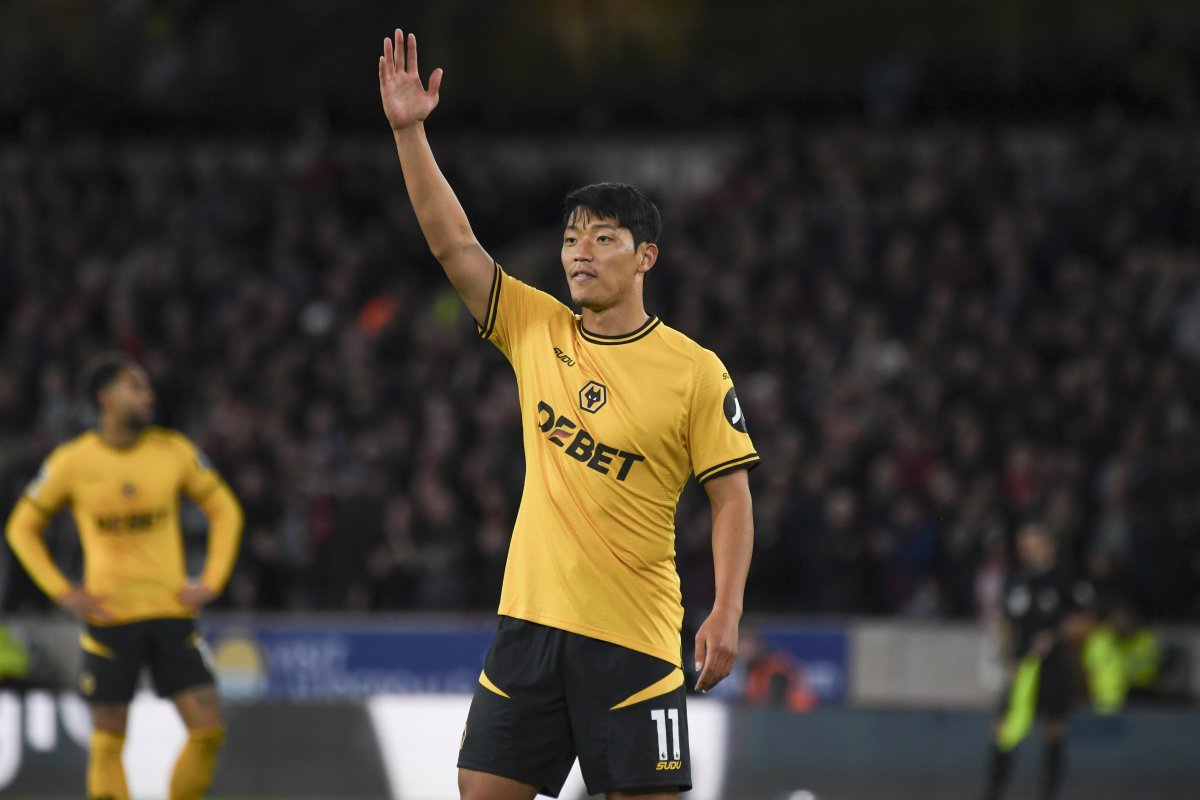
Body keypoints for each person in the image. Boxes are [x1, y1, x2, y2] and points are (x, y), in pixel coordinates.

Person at [379, 30, 758, 800]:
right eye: (571, 238)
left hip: (635, 642)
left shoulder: (692, 371)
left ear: (645, 256)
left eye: (604, 239)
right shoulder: (536, 327)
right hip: (529, 626)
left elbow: (731, 498)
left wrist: (725, 609)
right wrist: (410, 132)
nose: (580, 252)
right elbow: (454, 243)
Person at [4, 353, 243, 800]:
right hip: (111, 618)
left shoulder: (174, 451)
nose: (148, 396)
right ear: (106, 399)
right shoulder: (72, 462)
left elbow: (225, 509)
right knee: (109, 740)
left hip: (170, 612)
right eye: (137, 388)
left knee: (208, 729)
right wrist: (62, 591)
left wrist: (212, 578)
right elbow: (21, 527)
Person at [982, 521, 1093, 800]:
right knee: (1004, 730)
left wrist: (1055, 636)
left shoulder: (1066, 576)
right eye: (1023, 546)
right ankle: (994, 792)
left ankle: (1049, 792)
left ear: (1049, 545)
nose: (1027, 552)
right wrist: (1007, 656)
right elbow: (1005, 621)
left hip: (1055, 666)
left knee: (1053, 730)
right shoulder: (1016, 578)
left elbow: (1084, 618)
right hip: (1023, 667)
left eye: (1032, 545)